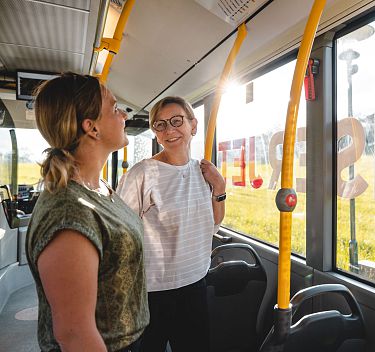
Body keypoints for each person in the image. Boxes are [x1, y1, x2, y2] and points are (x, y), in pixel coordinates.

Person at [25, 72, 149, 352]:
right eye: (115, 108)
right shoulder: (70, 214)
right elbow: (74, 334)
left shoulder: (98, 188)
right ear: (91, 127)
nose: (124, 116)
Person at [117, 96, 226, 352]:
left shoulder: (204, 172)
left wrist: (219, 188)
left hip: (196, 282)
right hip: (152, 291)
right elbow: (120, 234)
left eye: (177, 121)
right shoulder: (143, 174)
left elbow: (213, 225)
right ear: (156, 133)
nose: (169, 130)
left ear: (193, 125)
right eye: (160, 125)